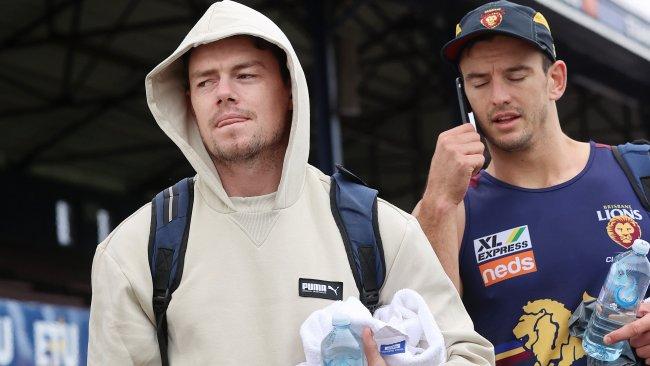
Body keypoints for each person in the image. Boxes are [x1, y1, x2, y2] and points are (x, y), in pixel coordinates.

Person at [87, 1, 494, 365]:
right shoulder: (135, 251)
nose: (223, 93)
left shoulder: (377, 229)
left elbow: (469, 354)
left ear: (290, 91)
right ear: (188, 104)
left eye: (245, 75)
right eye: (205, 82)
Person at [413, 1, 650, 365]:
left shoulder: (640, 169)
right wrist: (439, 201)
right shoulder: (452, 208)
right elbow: (425, 339)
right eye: (479, 82)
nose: (498, 97)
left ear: (555, 79)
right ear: (464, 96)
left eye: (516, 76)